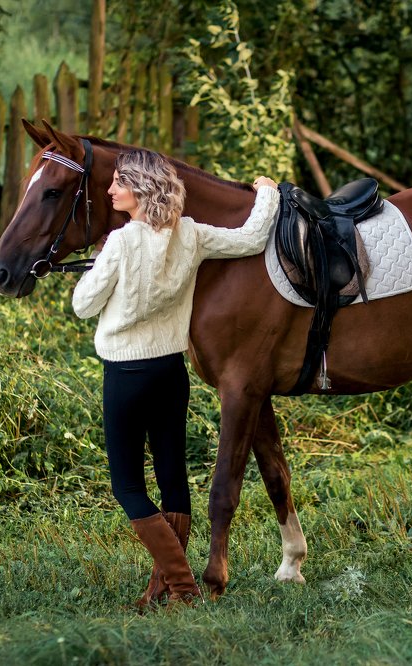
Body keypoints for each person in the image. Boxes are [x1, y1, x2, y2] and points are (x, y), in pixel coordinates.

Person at [71, 148, 279, 608]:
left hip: (126, 374)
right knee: (173, 478)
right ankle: (170, 589)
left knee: (127, 487)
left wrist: (101, 261)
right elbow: (251, 237)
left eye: (118, 183)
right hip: (170, 372)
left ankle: (182, 585)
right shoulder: (192, 235)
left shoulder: (121, 243)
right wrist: (266, 193)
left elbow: (83, 304)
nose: (110, 190)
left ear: (141, 190)